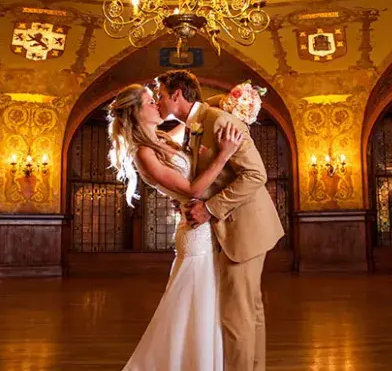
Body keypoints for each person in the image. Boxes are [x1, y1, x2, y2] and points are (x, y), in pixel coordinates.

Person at [108, 83, 243, 371]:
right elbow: (193, 188)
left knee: (205, 307)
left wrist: (235, 99)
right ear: (135, 113)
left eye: (156, 98)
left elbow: (193, 118)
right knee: (196, 307)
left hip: (206, 228)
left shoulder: (162, 138)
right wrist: (225, 154)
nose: (156, 103)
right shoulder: (142, 153)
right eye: (149, 101)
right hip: (195, 234)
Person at [155, 70, 284, 371]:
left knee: (235, 315)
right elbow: (212, 176)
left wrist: (210, 209)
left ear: (177, 95)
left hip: (246, 229)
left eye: (160, 95)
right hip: (235, 228)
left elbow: (256, 175)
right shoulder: (196, 124)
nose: (158, 102)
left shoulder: (221, 122)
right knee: (250, 310)